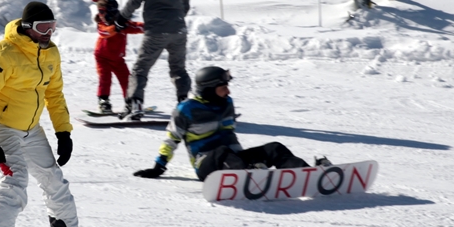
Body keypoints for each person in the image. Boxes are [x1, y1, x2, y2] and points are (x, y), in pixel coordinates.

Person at [0, 1, 93, 227]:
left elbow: (54, 94)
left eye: (52, 27)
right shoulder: (3, 53)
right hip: (3, 127)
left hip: (31, 129)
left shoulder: (51, 53)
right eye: (42, 27)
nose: (48, 33)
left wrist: (63, 132)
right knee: (16, 182)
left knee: (54, 181)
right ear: (27, 27)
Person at [133, 66, 330, 181]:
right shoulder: (186, 109)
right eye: (223, 87)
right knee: (221, 151)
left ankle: (308, 174)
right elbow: (171, 139)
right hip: (206, 165)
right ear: (209, 89)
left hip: (231, 160)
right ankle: (250, 174)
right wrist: (158, 167)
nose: (228, 91)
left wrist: (244, 158)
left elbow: (228, 133)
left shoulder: (226, 103)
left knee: (274, 148)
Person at [116, 0, 191, 117]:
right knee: (178, 69)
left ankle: (135, 104)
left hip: (157, 30)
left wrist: (121, 18)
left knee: (141, 68)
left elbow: (135, 0)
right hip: (179, 29)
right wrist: (175, 19)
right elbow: (185, 6)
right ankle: (184, 103)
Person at [93, 0, 143, 114]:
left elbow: (135, 26)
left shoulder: (121, 23)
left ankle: (129, 100)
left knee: (126, 79)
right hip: (102, 57)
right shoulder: (102, 25)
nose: (102, 15)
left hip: (117, 59)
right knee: (105, 78)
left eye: (103, 11)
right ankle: (103, 101)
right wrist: (116, 28)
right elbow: (104, 32)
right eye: (100, 12)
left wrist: (149, 27)